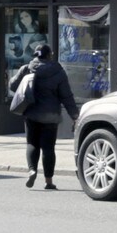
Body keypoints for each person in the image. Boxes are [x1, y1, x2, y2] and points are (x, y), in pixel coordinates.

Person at [10, 42, 78, 190]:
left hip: (31, 113)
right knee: (48, 148)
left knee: (32, 143)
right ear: (49, 55)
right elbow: (66, 96)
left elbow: (12, 85)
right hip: (51, 115)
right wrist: (74, 115)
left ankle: (32, 169)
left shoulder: (27, 69)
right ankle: (48, 181)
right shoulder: (58, 71)